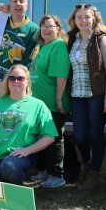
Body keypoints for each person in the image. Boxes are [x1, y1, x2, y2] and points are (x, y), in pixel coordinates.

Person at [0, 64, 57, 185]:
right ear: (7, 81)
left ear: (28, 81)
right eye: (12, 78)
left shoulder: (38, 105)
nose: (16, 81)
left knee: (9, 167)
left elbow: (49, 136)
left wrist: (27, 150)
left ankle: (15, 190)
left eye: (20, 78)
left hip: (19, 158)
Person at [67, 4, 106, 190]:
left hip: (96, 95)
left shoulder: (101, 39)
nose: (83, 20)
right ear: (74, 20)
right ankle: (88, 164)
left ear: (94, 19)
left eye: (87, 17)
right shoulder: (72, 39)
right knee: (79, 136)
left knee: (96, 135)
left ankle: (95, 173)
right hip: (76, 95)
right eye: (79, 17)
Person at [29, 15, 70, 188]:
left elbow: (61, 75)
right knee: (43, 137)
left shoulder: (58, 46)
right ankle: (47, 170)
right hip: (39, 103)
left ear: (58, 29)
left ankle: (57, 175)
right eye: (43, 26)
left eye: (50, 26)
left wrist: (59, 100)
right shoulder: (40, 47)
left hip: (52, 103)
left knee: (54, 138)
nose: (46, 29)